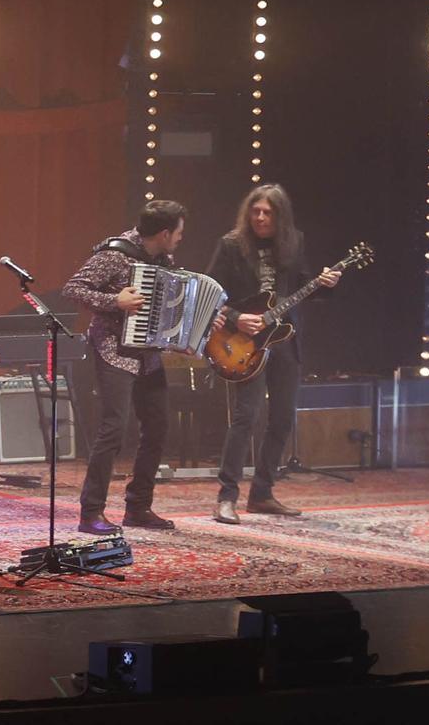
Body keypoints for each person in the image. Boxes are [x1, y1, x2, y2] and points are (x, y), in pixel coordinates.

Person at [205, 183, 342, 523]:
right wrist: (238, 317)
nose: (261, 217)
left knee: (282, 418)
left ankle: (262, 493)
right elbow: (211, 292)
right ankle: (227, 496)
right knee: (246, 417)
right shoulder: (231, 245)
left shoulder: (294, 242)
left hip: (284, 341)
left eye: (267, 212)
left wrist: (323, 285)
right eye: (256, 211)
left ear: (279, 216)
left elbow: (304, 287)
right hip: (244, 342)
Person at [59, 199, 188, 535]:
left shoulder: (164, 260)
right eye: (178, 233)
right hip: (114, 350)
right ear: (163, 233)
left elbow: (168, 304)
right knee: (114, 429)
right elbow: (72, 288)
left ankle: (139, 506)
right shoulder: (115, 254)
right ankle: (91, 513)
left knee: (158, 426)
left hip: (148, 355)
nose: (179, 239)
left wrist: (182, 333)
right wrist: (114, 301)